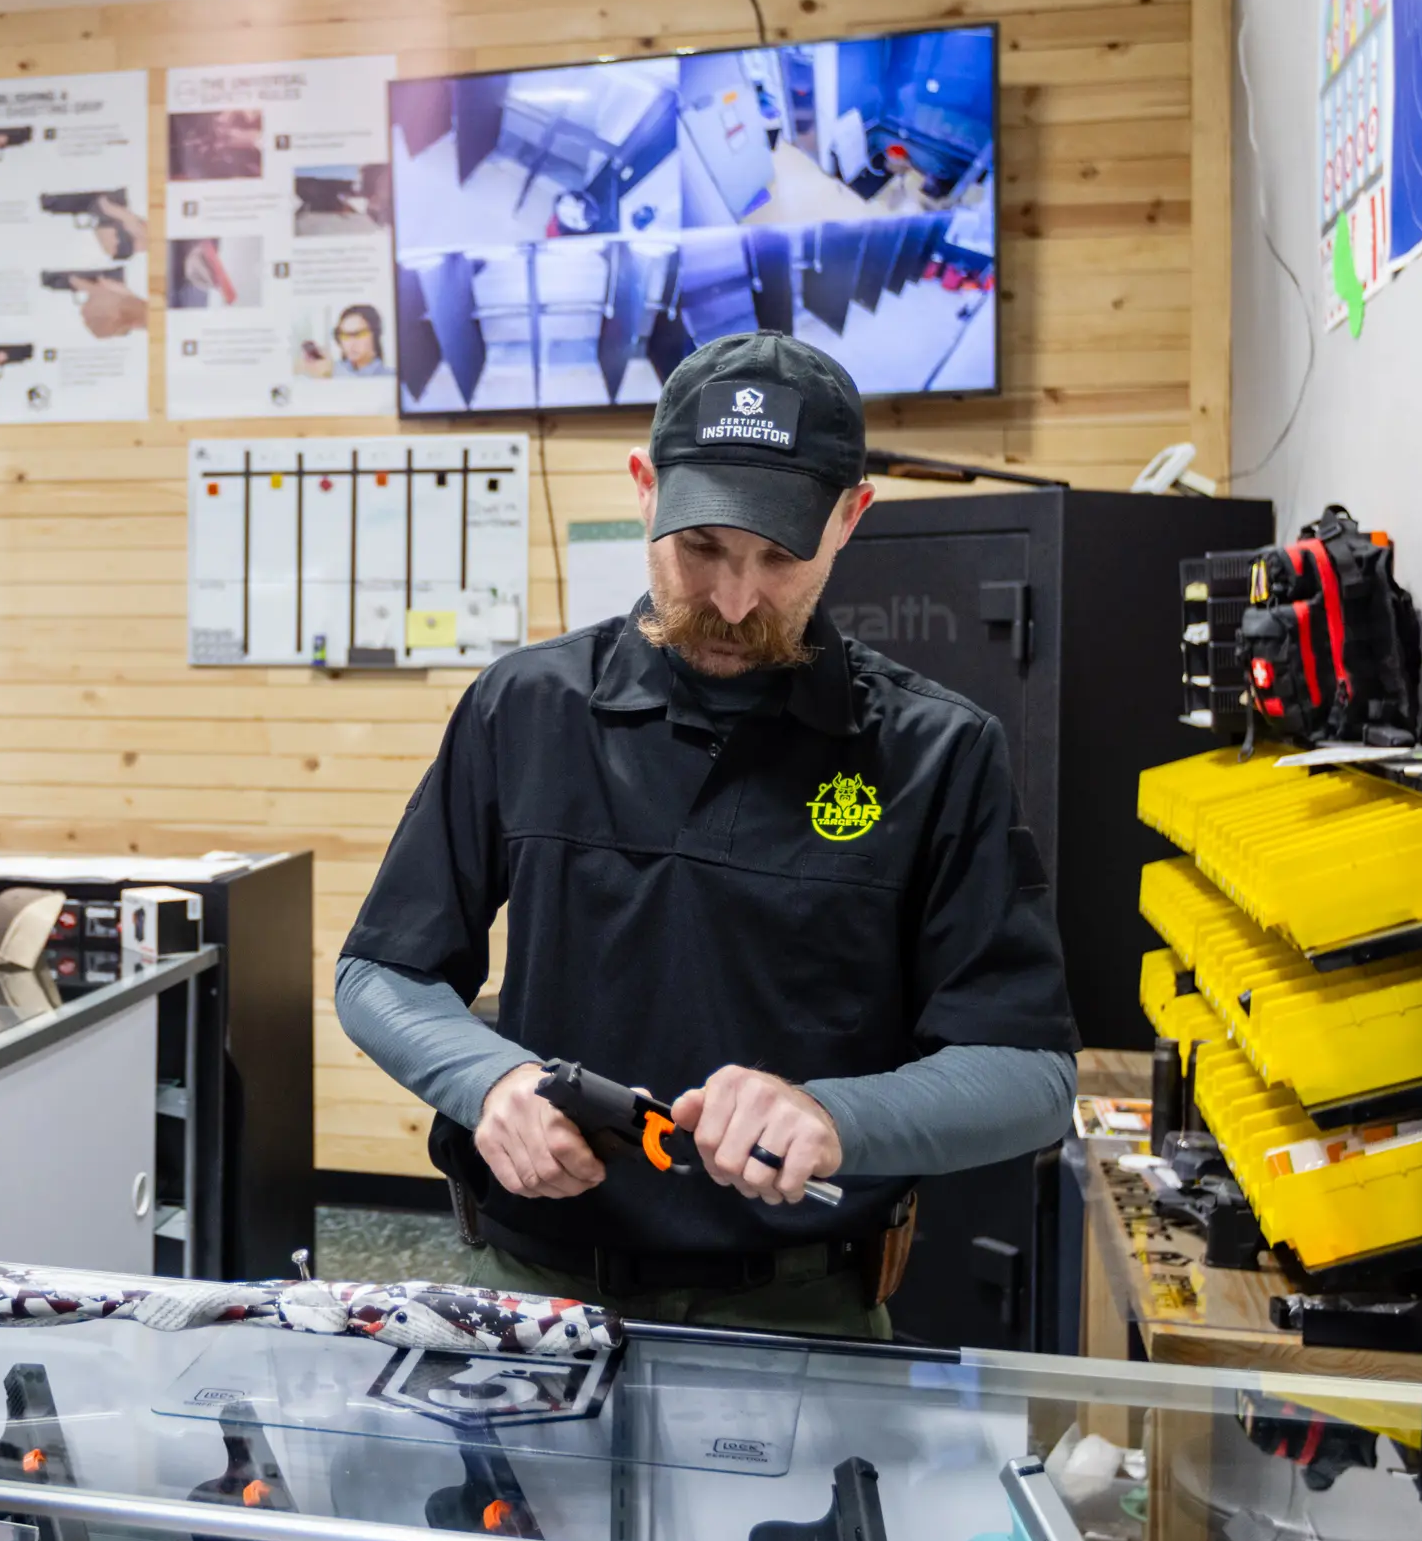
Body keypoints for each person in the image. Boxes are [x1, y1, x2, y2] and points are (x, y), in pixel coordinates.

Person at [333, 331, 1077, 1338]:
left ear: (850, 517)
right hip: (531, 1286)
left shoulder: (935, 753)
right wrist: (487, 1079)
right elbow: (380, 972)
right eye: (701, 549)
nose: (733, 600)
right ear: (644, 488)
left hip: (800, 1306)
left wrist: (830, 1116)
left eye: (778, 556)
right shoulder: (526, 708)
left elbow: (1026, 1073)